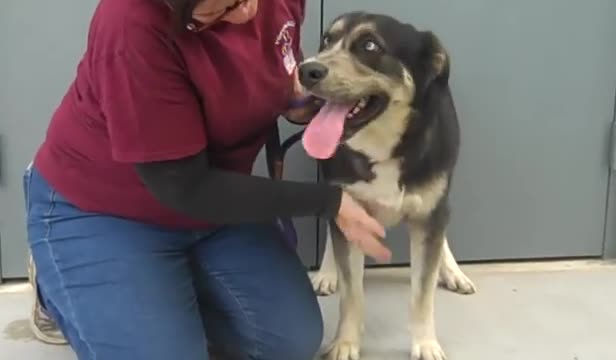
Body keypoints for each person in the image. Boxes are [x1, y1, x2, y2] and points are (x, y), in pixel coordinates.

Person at [23, 0, 391, 359]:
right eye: (224, 8)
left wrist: (307, 101)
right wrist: (330, 201)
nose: (248, 11)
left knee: (289, 343)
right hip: (105, 209)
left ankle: (160, 292)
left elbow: (282, 72)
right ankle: (56, 278)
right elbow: (182, 186)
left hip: (216, 203)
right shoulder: (130, 23)